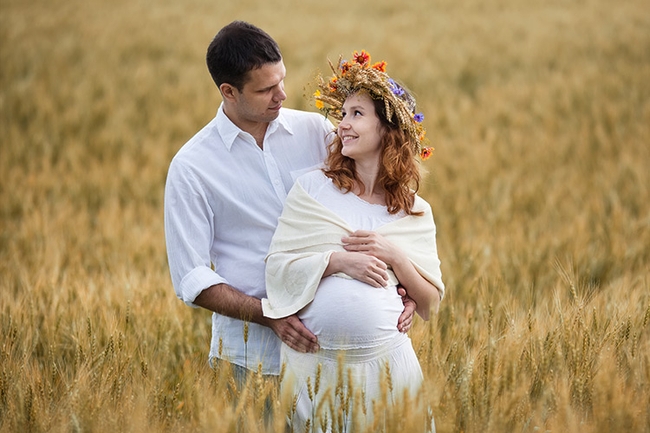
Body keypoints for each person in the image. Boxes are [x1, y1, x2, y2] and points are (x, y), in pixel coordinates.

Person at [164, 22, 416, 388]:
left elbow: (375, 202)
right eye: (266, 89)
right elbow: (192, 278)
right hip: (252, 362)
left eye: (281, 80)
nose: (281, 94)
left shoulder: (315, 131)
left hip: (333, 360)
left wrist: (404, 287)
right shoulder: (192, 167)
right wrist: (270, 315)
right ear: (228, 91)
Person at [262, 50, 445, 431]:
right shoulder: (312, 189)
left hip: (390, 373)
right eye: (342, 114)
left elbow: (430, 304)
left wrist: (396, 258)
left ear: (387, 130)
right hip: (316, 372)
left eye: (357, 114)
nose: (342, 124)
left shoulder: (413, 211)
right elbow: (277, 270)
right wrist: (337, 262)